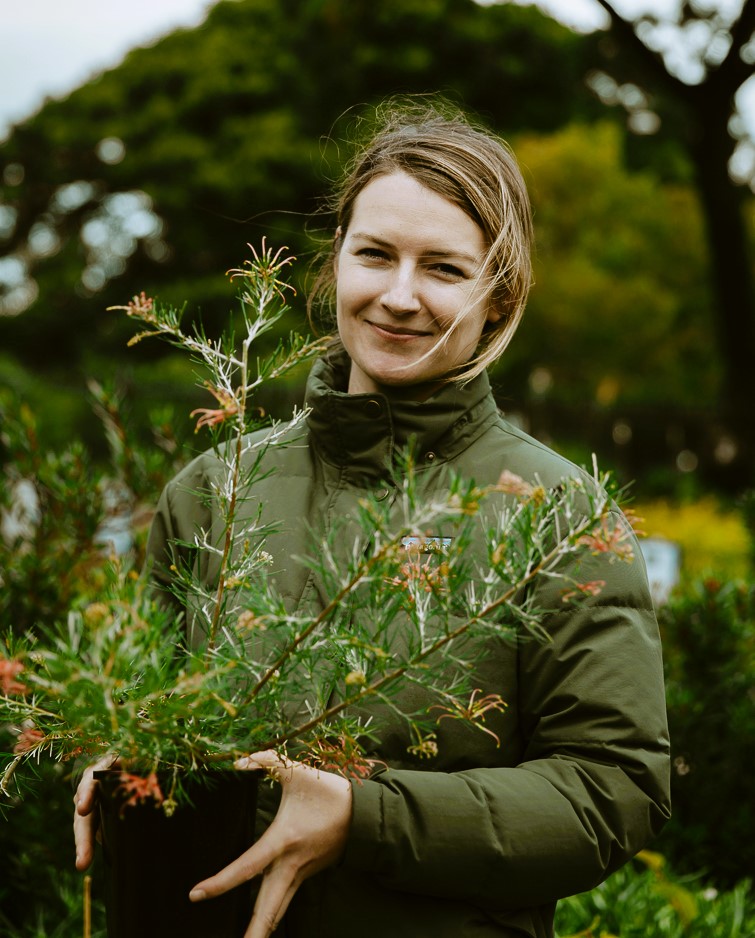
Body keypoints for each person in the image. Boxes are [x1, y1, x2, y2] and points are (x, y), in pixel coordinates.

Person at [74, 99, 671, 938]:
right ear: (335, 266)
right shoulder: (216, 486)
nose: (398, 296)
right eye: (375, 255)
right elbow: (160, 715)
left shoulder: (561, 514)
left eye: (443, 269)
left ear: (499, 300)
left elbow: (612, 791)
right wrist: (126, 766)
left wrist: (365, 816)